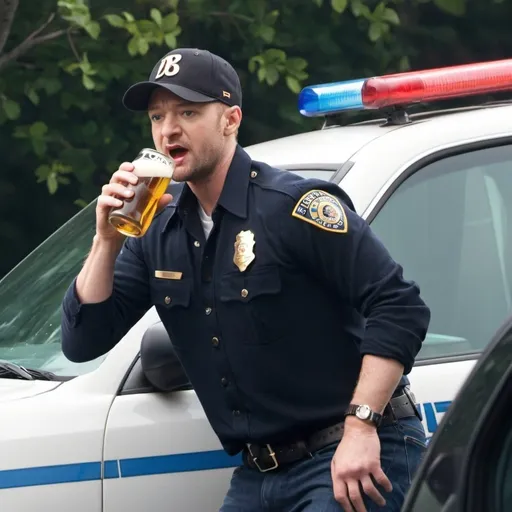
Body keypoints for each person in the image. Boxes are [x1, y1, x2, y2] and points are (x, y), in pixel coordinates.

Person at [61, 47, 431, 512]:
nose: (167, 130)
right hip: (260, 474)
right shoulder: (158, 228)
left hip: (351, 450)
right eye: (157, 117)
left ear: (231, 119)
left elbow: (399, 306)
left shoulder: (295, 206)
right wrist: (106, 240)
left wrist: (360, 427)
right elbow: (82, 340)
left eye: (187, 112)